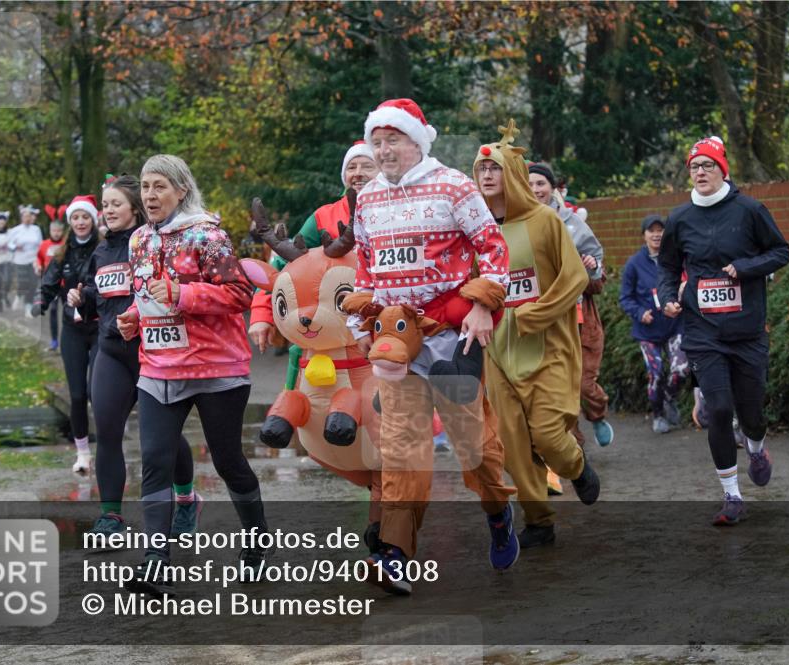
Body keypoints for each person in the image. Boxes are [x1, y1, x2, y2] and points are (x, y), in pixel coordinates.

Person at [341, 98, 519, 595]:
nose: (383, 150)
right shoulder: (368, 199)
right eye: (377, 141)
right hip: (398, 340)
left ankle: (498, 510)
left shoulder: (453, 185)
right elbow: (366, 267)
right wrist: (362, 322)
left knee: (474, 445)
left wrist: (483, 304)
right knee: (402, 447)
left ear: (416, 141)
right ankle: (395, 554)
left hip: (451, 337)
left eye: (393, 139)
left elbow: (493, 248)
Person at [116, 154, 266, 595]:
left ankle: (257, 545)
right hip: (159, 368)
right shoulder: (138, 239)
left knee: (228, 462)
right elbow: (146, 295)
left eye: (159, 186)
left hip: (216, 368)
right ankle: (155, 563)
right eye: (145, 186)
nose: (149, 195)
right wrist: (134, 317)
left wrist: (182, 293)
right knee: (154, 461)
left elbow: (239, 294)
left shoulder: (207, 235)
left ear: (181, 190)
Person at [475, 121, 601, 549]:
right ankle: (538, 520)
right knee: (511, 444)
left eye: (495, 167)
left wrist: (536, 314)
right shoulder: (474, 231)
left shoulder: (545, 220)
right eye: (480, 169)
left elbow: (575, 277)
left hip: (547, 345)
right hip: (497, 351)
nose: (487, 175)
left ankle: (576, 467)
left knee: (548, 435)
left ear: (512, 172)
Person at [659, 136, 789, 525]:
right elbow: (668, 266)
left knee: (752, 413)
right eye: (694, 167)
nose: (700, 172)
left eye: (708, 165)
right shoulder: (680, 218)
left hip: (747, 330)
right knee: (717, 409)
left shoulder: (750, 210)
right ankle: (732, 496)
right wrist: (668, 297)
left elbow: (781, 251)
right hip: (703, 331)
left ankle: (757, 448)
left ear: (723, 169)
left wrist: (745, 267)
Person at [75, 174, 200, 539]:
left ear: (134, 207)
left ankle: (186, 500)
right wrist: (81, 299)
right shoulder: (100, 252)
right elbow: (96, 299)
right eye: (105, 205)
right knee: (107, 432)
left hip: (150, 352)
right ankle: (110, 518)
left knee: (161, 437)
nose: (108, 210)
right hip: (111, 351)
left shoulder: (150, 244)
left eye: (116, 204)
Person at [248, 140, 378, 385]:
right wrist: (261, 315)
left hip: (384, 326)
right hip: (330, 333)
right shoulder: (323, 216)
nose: (358, 173)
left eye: (367, 166)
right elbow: (284, 266)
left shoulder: (401, 212)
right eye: (352, 167)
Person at [528, 162, 614, 451]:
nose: (535, 190)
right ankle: (572, 446)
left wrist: (589, 267)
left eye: (541, 183)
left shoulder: (573, 223)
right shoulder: (517, 223)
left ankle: (597, 414)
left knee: (583, 385)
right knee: (559, 388)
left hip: (580, 319)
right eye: (529, 184)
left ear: (552, 188)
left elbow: (597, 272)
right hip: (543, 321)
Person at [32, 196, 100, 474]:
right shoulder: (61, 252)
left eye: (85, 217)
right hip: (72, 330)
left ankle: (110, 445)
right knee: (77, 394)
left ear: (93, 220)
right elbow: (48, 283)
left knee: (98, 392)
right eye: (76, 218)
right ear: (70, 222)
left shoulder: (104, 248)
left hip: (99, 328)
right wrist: (40, 301)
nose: (80, 222)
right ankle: (82, 452)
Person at [620, 214, 690, 433]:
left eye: (661, 230)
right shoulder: (634, 264)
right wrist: (640, 313)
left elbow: (689, 283)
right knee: (656, 373)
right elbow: (625, 298)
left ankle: (669, 398)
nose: (657, 234)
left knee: (681, 369)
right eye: (652, 231)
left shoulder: (676, 258)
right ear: (644, 235)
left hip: (674, 325)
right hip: (648, 331)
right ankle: (658, 415)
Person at [7, 204, 43, 316]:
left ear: (31, 217)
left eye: (29, 216)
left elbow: (41, 244)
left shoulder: (36, 229)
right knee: (23, 282)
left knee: (33, 283)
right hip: (20, 260)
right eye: (25, 216)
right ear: (22, 218)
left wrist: (41, 259)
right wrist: (15, 247)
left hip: (33, 260)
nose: (27, 218)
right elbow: (9, 243)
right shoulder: (16, 230)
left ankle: (28, 306)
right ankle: (19, 295)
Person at [37, 220, 66, 351]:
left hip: (65, 283)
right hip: (52, 284)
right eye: (54, 230)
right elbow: (39, 258)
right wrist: (38, 265)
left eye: (59, 231)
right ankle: (54, 341)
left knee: (68, 312)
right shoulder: (44, 244)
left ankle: (67, 340)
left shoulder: (66, 244)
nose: (56, 233)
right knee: (53, 310)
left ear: (62, 231)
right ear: (50, 231)